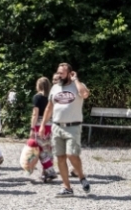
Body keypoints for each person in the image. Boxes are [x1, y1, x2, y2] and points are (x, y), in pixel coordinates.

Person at [40, 63, 91, 197]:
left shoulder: (77, 86)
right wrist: (42, 125)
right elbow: (49, 108)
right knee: (60, 157)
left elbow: (85, 94)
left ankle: (81, 176)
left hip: (73, 127)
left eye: (62, 73)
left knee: (71, 154)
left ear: (69, 73)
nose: (59, 75)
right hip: (57, 126)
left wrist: (76, 80)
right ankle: (67, 187)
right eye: (58, 72)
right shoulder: (55, 88)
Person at [30, 77, 57, 183]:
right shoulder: (52, 97)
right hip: (51, 124)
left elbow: (35, 113)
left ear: (38, 85)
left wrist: (32, 128)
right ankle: (45, 173)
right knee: (49, 149)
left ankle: (50, 171)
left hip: (39, 125)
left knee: (40, 149)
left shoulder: (37, 97)